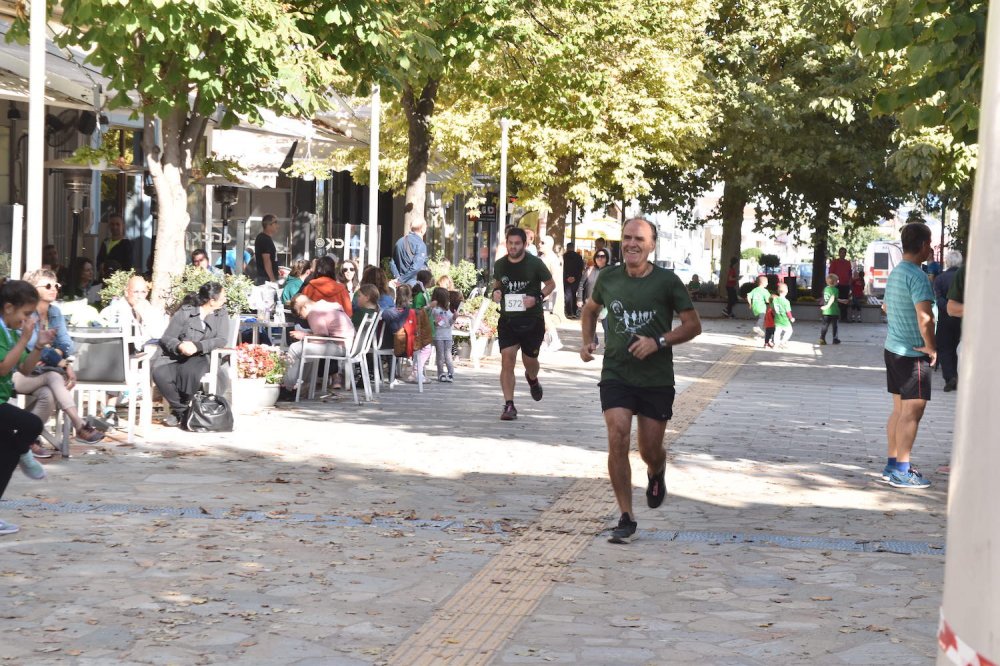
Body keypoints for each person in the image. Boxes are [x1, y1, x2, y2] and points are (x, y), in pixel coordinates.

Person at [579, 218, 702, 544]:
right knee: (617, 436)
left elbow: (693, 325)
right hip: (617, 372)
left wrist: (659, 341)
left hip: (656, 377)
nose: (631, 244)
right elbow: (590, 310)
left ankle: (656, 469)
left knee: (649, 448)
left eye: (639, 239)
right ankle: (626, 515)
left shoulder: (667, 281)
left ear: (651, 245)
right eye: (627, 237)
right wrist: (587, 341)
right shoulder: (609, 277)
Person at [14, 270, 105, 455]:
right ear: (32, 289)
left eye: (56, 285)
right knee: (55, 377)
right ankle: (79, 425)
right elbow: (33, 347)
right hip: (18, 373)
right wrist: (63, 363)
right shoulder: (24, 314)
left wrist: (55, 354)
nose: (54, 289)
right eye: (47, 286)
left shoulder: (55, 312)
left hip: (42, 373)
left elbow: (66, 344)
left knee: (48, 394)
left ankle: (27, 439)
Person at [881, 223, 936, 489]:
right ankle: (902, 470)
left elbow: (885, 307)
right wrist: (932, 347)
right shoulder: (918, 276)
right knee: (913, 412)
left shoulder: (896, 273)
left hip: (893, 349)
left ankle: (893, 465)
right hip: (913, 353)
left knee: (899, 410)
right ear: (925, 245)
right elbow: (926, 318)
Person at [0, 280, 51, 535]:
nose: (27, 319)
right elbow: (2, 367)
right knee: (32, 424)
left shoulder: (9, 331)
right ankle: (24, 452)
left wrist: (38, 345)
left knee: (6, 456)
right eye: (25, 313)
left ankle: (20, 452)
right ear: (8, 308)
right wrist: (25, 339)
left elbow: (25, 369)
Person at [491, 227, 555, 421]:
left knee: (530, 362)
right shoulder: (501, 264)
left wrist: (537, 297)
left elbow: (551, 284)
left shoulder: (535, 263)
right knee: (507, 358)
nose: (513, 247)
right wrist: (496, 293)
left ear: (524, 244)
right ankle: (509, 405)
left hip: (532, 320)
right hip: (508, 319)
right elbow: (497, 286)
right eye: (510, 243)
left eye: (517, 243)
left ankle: (532, 379)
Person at [151, 282, 229, 427]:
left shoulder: (221, 313)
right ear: (211, 300)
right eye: (223, 297)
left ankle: (180, 412)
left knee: (190, 371)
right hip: (178, 355)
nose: (225, 300)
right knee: (160, 372)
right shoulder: (186, 312)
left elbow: (221, 339)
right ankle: (184, 412)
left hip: (203, 356)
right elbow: (167, 337)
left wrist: (197, 346)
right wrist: (180, 345)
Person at [280, 293, 355, 399]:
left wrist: (303, 335)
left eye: (299, 313)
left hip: (338, 346)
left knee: (294, 348)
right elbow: (324, 333)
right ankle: (305, 385)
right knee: (305, 348)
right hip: (345, 344)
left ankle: (287, 388)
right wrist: (307, 334)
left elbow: (321, 338)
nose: (301, 317)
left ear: (305, 306)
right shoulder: (325, 306)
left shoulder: (314, 312)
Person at [934, 250, 963, 392]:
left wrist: (947, 307)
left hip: (945, 318)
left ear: (947, 262)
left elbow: (938, 299)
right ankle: (957, 376)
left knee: (945, 348)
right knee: (957, 347)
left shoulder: (940, 278)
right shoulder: (965, 278)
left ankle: (950, 377)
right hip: (963, 317)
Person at [581, 248, 610, 345]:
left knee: (607, 327)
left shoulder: (611, 271)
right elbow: (581, 284)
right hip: (590, 301)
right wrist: (579, 299)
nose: (600, 258)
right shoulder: (590, 270)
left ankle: (608, 346)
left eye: (602, 256)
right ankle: (593, 342)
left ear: (607, 258)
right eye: (598, 256)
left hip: (606, 304)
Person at [389, 218, 429, 286]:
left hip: (400, 285)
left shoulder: (399, 241)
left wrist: (398, 278)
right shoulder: (420, 244)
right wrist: (401, 280)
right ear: (422, 229)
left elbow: (392, 263)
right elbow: (416, 268)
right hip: (414, 285)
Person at [431, 286, 455, 382]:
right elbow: (432, 320)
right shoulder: (434, 310)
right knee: (440, 355)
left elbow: (449, 323)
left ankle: (450, 373)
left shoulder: (447, 310)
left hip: (448, 336)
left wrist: (454, 318)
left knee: (448, 355)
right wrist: (434, 322)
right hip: (439, 336)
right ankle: (440, 373)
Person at [818, 274, 845, 345]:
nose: (838, 282)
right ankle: (835, 339)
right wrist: (828, 306)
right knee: (835, 325)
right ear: (835, 282)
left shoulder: (826, 289)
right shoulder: (835, 290)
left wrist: (842, 301)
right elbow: (832, 298)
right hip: (833, 311)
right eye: (837, 281)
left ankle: (822, 338)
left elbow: (832, 298)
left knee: (825, 325)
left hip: (825, 312)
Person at [253, 215, 280, 285]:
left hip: (265, 278)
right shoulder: (264, 239)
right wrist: (272, 279)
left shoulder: (266, 238)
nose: (278, 226)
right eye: (275, 222)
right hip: (265, 279)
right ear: (268, 225)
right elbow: (267, 260)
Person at [828, 247, 853, 323]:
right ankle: (834, 317)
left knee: (845, 301)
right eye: (841, 252)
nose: (842, 254)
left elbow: (850, 273)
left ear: (845, 254)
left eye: (844, 252)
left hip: (845, 284)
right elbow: (831, 273)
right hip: (836, 285)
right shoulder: (834, 262)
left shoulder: (848, 263)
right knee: (835, 301)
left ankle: (844, 317)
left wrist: (850, 283)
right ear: (839, 253)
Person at [562, 242, 584, 319]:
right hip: (576, 278)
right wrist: (575, 277)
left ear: (567, 248)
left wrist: (567, 277)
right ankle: (574, 311)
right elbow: (581, 268)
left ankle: (568, 312)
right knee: (574, 294)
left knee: (568, 295)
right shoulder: (578, 256)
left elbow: (563, 268)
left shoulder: (564, 256)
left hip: (566, 278)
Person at [772, 282, 795, 347]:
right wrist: (791, 318)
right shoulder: (786, 301)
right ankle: (783, 341)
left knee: (777, 332)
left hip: (777, 318)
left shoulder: (775, 300)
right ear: (786, 291)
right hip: (784, 320)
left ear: (778, 291)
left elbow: (773, 309)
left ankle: (776, 344)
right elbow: (788, 312)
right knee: (789, 331)